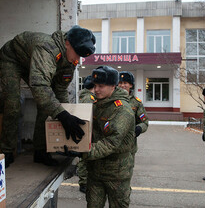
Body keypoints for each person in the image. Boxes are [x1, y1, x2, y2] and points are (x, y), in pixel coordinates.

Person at [0, 25, 96, 168]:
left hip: (34, 62)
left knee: (47, 108)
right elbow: (40, 86)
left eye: (81, 56)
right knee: (13, 104)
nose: (77, 59)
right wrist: (62, 115)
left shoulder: (70, 60)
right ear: (67, 43)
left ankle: (40, 152)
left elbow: (61, 90)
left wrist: (66, 115)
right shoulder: (47, 49)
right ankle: (6, 151)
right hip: (13, 59)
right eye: (77, 53)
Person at [59, 66, 136, 208]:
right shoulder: (97, 104)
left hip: (116, 174)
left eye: (101, 86)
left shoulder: (122, 109)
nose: (96, 90)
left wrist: (83, 151)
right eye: (95, 86)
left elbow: (111, 142)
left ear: (113, 86)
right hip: (95, 171)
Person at [118, 71, 149, 158]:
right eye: (120, 83)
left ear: (131, 85)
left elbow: (144, 122)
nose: (122, 85)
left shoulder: (136, 103)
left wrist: (139, 128)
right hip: (113, 146)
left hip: (129, 146)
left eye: (125, 83)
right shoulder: (111, 100)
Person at [77, 75, 96, 193]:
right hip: (88, 131)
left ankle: (84, 181)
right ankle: (83, 183)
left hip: (86, 130)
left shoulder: (86, 96)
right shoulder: (89, 98)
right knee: (85, 158)